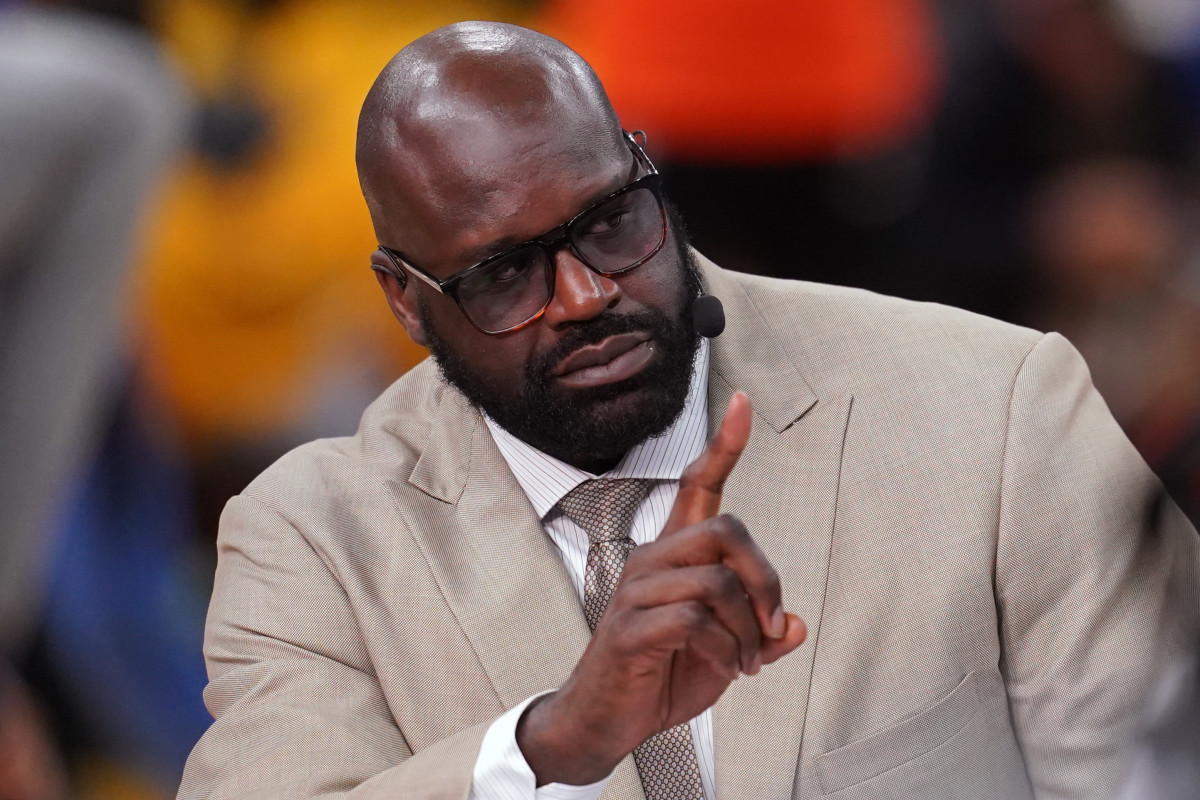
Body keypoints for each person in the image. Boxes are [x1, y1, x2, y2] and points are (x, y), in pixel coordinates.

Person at [179, 21, 1200, 800]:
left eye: (609, 220)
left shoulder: (993, 403)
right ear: (404, 297)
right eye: (504, 275)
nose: (586, 295)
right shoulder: (309, 541)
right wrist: (552, 742)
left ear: (643, 170)